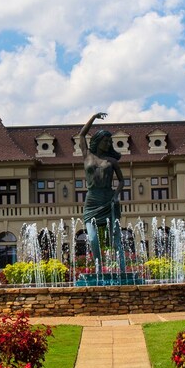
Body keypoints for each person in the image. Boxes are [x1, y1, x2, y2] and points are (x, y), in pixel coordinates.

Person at [77, 112, 124, 267]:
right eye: (105, 141)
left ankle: (122, 269)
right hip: (92, 200)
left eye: (109, 141)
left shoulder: (111, 161)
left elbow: (122, 181)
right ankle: (98, 268)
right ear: (98, 141)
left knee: (115, 238)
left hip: (108, 199)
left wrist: (116, 196)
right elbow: (82, 134)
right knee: (92, 238)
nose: (108, 144)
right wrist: (93, 117)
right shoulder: (87, 155)